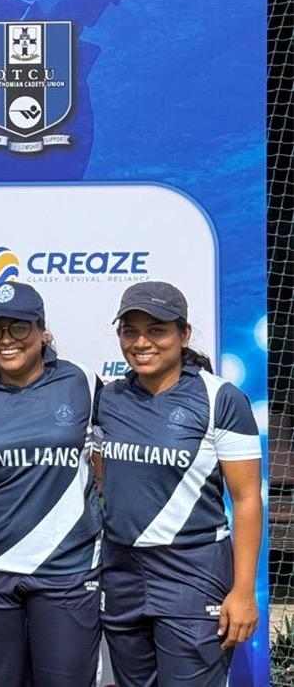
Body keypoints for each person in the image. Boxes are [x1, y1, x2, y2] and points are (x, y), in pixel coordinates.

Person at [96, 281, 262, 687]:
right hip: (121, 570)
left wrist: (243, 591)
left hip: (193, 570)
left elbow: (246, 499)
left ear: (184, 334)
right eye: (130, 331)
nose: (141, 343)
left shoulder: (221, 398)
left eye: (157, 330)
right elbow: (103, 476)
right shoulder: (109, 398)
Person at [0, 282, 102, 687]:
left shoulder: (83, 382)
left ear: (42, 330)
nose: (6, 340)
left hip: (67, 567)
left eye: (18, 327)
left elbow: (119, 453)